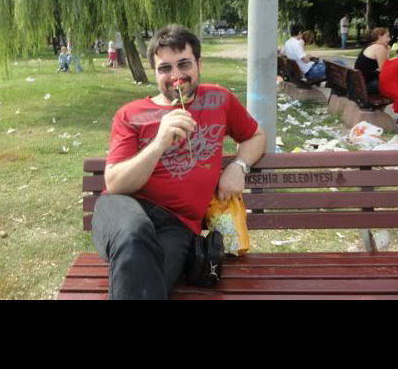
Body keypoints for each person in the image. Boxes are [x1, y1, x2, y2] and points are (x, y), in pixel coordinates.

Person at [91, 24, 267, 300]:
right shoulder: (130, 114)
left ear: (199, 64)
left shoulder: (219, 100)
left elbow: (255, 136)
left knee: (149, 283)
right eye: (165, 68)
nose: (176, 76)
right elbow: (115, 184)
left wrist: (239, 166)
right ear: (155, 72)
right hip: (125, 207)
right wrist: (159, 143)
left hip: (178, 225)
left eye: (184, 64)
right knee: (136, 234)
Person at [354, 27, 391, 94]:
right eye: (387, 36)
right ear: (379, 36)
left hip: (359, 83)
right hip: (366, 85)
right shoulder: (380, 48)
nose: (389, 39)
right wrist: (388, 53)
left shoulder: (370, 45)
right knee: (397, 84)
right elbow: (385, 71)